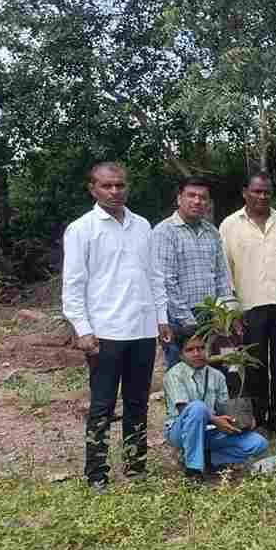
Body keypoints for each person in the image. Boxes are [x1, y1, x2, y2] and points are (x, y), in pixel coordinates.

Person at [62, 162, 169, 490]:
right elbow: (73, 284)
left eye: (120, 185)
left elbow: (154, 276)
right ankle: (97, 474)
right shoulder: (82, 229)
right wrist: (82, 328)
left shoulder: (141, 226)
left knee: (138, 402)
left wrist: (161, 318)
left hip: (141, 330)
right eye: (107, 186)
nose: (114, 191)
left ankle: (136, 467)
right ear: (92, 189)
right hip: (105, 332)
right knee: (103, 406)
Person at [219, 171, 276, 433]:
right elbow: (224, 270)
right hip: (248, 307)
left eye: (267, 192)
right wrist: (230, 309)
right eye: (257, 191)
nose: (262, 196)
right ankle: (259, 420)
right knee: (254, 366)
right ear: (245, 192)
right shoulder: (229, 225)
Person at [151, 175, 235, 369]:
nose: (197, 201)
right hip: (179, 317)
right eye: (191, 195)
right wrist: (189, 322)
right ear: (179, 198)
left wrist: (225, 313)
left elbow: (222, 276)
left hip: (212, 315)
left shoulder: (212, 232)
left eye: (203, 197)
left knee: (215, 370)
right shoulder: (165, 232)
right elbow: (166, 281)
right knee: (180, 372)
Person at [163, 334, 268, 479]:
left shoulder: (217, 375)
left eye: (201, 348)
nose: (197, 353)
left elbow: (223, 409)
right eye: (190, 350)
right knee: (198, 407)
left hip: (210, 431)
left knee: (258, 443)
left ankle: (204, 459)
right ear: (181, 354)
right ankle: (193, 470)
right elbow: (184, 410)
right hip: (181, 431)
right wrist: (215, 420)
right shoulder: (174, 374)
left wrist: (243, 421)